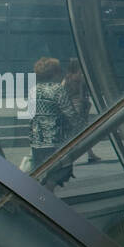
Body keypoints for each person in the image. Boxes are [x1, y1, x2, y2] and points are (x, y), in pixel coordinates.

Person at [31, 57, 82, 187]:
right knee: (57, 172)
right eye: (59, 71)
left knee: (44, 172)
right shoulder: (57, 89)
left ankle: (42, 198)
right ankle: (45, 201)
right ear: (54, 73)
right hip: (55, 138)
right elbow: (69, 112)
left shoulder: (33, 89)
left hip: (37, 139)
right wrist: (80, 125)